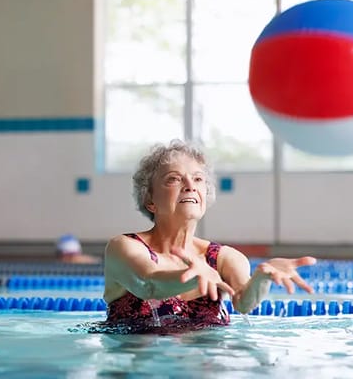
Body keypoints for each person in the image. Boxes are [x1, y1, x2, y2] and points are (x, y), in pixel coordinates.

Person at [102, 139, 316, 333]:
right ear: (150, 200)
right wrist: (193, 277)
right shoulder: (124, 247)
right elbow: (148, 284)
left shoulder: (223, 257)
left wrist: (261, 279)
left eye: (198, 179)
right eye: (174, 179)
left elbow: (243, 302)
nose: (190, 186)